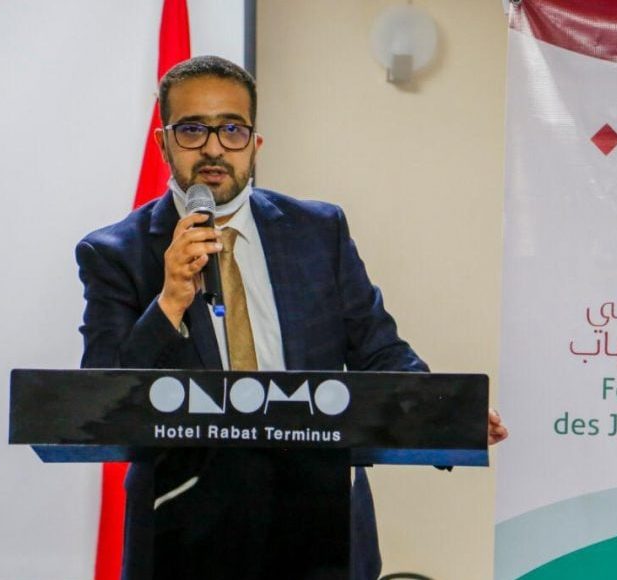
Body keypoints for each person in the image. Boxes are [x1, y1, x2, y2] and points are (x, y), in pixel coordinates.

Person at [76, 55, 508, 580]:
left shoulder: (318, 232)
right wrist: (169, 301)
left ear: (255, 143)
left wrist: (448, 415)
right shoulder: (115, 254)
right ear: (163, 143)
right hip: (184, 532)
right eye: (192, 130)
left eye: (231, 129)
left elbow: (378, 351)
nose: (213, 147)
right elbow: (100, 398)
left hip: (318, 527)